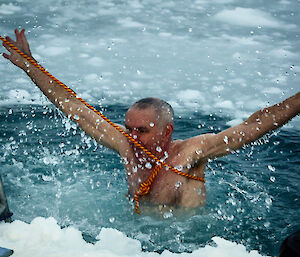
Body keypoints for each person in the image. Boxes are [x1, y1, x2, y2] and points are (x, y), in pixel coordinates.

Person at [2, 29, 300, 212]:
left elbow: (255, 127)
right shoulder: (125, 144)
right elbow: (75, 108)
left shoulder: (192, 152)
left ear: (167, 130)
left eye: (142, 131)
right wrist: (30, 66)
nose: (132, 136)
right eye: (129, 127)